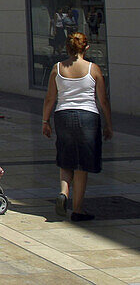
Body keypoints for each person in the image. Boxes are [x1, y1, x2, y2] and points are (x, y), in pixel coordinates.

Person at [42, 32, 112, 222]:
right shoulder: (93, 69)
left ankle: (64, 192)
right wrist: (109, 125)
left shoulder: (57, 69)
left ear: (68, 48)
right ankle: (78, 209)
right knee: (82, 165)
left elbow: (50, 98)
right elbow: (103, 101)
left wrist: (45, 121)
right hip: (88, 117)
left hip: (63, 115)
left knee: (66, 159)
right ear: (86, 47)